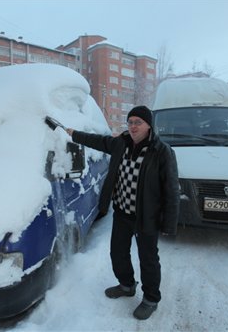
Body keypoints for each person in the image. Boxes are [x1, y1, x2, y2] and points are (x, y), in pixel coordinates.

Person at [65, 105, 180, 320]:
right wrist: (73, 134)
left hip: (147, 217)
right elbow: (97, 141)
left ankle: (151, 299)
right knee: (118, 252)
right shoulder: (121, 143)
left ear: (149, 126)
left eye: (138, 122)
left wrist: (169, 224)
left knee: (148, 259)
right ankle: (127, 285)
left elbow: (172, 190)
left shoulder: (162, 152)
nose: (133, 126)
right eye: (131, 122)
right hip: (122, 212)